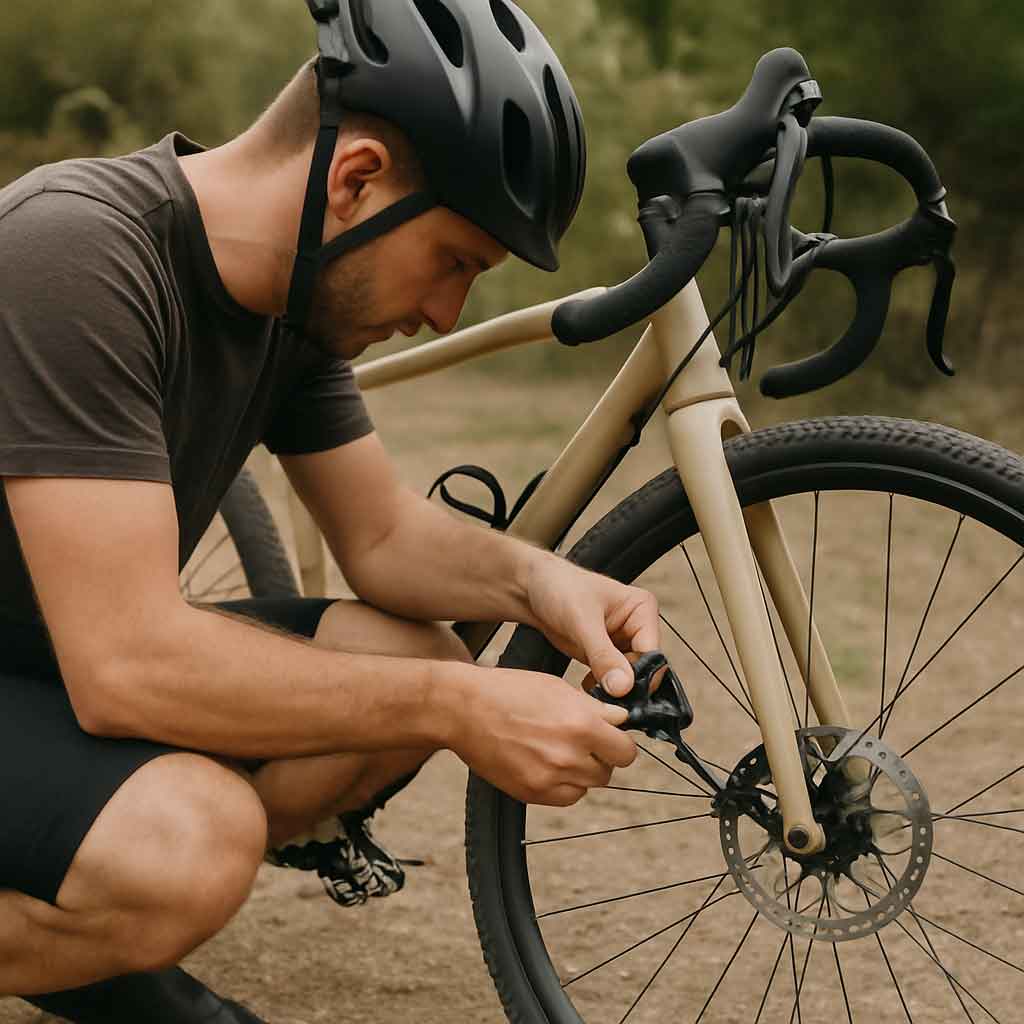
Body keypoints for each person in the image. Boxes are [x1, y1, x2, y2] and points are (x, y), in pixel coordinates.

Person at [0, 2, 660, 1020]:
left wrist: (543, 583)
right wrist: (461, 709)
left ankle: (95, 912)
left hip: (37, 672)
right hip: (64, 669)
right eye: (455, 263)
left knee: (419, 658)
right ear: (355, 180)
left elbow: (383, 537)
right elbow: (125, 664)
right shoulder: (74, 254)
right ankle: (119, 906)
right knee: (189, 842)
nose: (445, 312)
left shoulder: (291, 301)